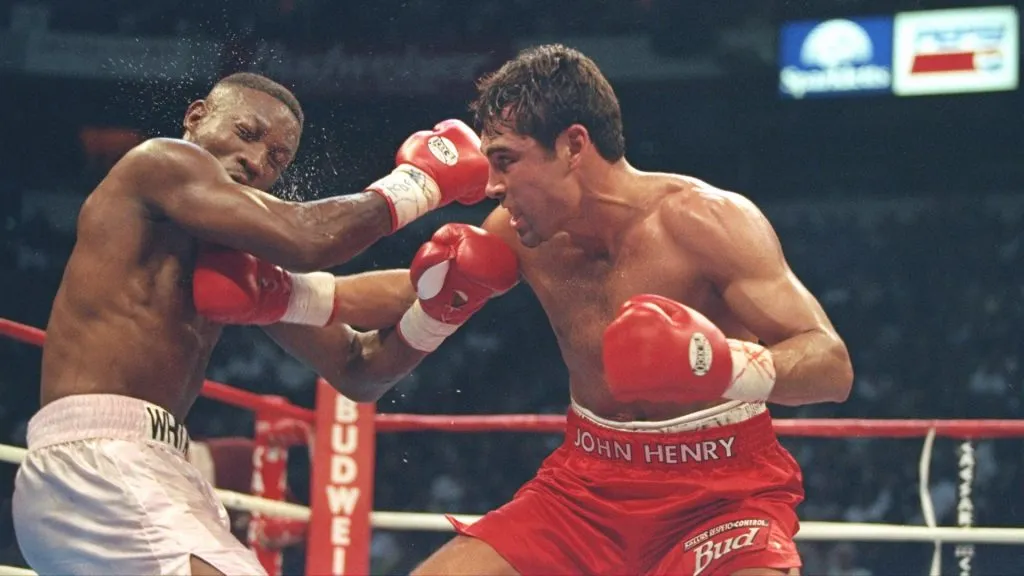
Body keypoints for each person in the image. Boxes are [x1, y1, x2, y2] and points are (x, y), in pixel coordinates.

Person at [11, 71, 508, 576]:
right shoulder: (160, 163)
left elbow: (360, 368)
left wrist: (446, 302)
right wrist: (419, 183)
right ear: (196, 116)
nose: (255, 160)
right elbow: (306, 237)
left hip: (146, 471)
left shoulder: (235, 262)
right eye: (247, 134)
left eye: (277, 159)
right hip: (101, 466)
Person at [406, 44, 855, 576]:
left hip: (721, 495)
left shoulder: (706, 221)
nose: (493, 184)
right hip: (582, 492)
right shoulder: (518, 232)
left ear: (574, 145)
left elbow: (832, 366)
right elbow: (408, 295)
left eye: (506, 159)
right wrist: (296, 288)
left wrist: (723, 366)